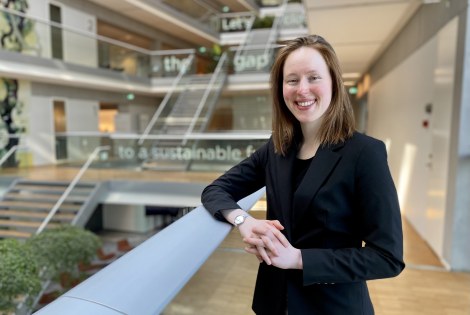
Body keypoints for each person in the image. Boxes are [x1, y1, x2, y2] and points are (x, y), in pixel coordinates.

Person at [201, 34, 405, 315]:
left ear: (334, 82)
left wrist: (298, 259)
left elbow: (387, 258)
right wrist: (243, 221)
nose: (302, 90)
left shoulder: (364, 153)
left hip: (332, 307)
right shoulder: (276, 148)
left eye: (313, 77)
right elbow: (215, 191)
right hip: (273, 304)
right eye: (292, 80)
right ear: (281, 88)